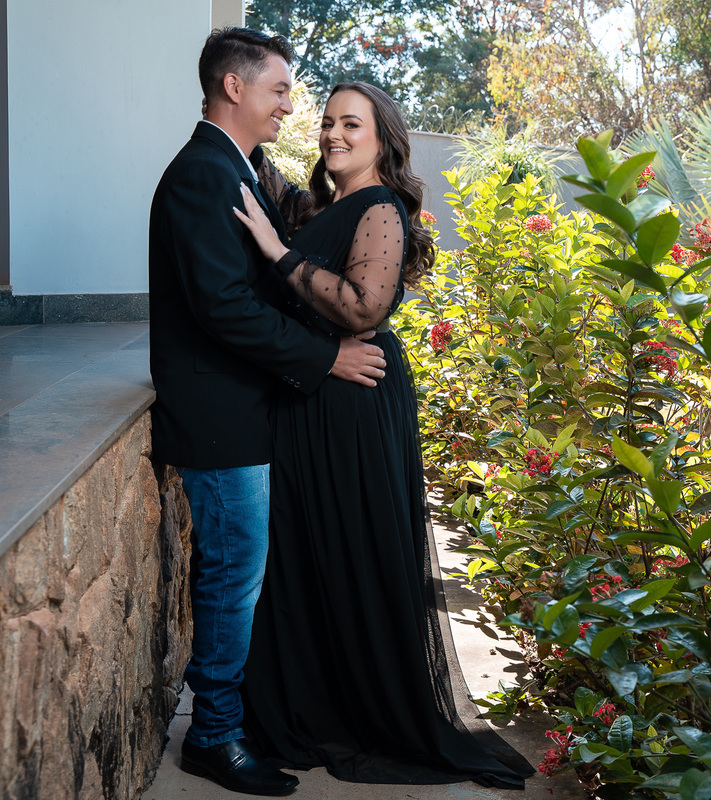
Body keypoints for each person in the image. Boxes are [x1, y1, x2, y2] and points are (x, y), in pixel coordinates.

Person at [233, 81, 534, 788]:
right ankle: (312, 700)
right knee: (306, 551)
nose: (334, 134)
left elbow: (364, 308)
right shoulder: (322, 204)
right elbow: (254, 166)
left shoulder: (381, 208)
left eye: (352, 124)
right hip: (312, 395)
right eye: (328, 122)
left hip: (354, 398)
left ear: (382, 138)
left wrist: (277, 252)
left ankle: (362, 709)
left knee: (352, 547)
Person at [148, 29, 387, 796]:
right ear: (234, 86)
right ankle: (214, 736)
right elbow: (223, 306)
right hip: (218, 417)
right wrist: (325, 358)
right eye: (280, 89)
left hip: (248, 408)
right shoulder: (202, 174)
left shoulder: (239, 169)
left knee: (241, 573)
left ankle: (235, 721)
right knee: (233, 576)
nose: (290, 105)